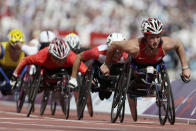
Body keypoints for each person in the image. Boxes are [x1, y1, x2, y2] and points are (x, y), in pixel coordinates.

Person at [100, 17, 191, 117]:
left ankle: (159, 92)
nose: (155, 41)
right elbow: (113, 45)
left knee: (160, 67)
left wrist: (185, 68)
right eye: (152, 37)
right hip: (136, 65)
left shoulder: (166, 44)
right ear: (145, 36)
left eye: (158, 37)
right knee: (128, 67)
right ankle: (131, 95)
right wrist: (106, 65)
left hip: (156, 64)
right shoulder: (134, 46)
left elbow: (179, 45)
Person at [10, 38, 87, 91]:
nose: (60, 62)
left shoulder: (71, 56)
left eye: (63, 59)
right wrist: (15, 76)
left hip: (64, 71)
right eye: (57, 59)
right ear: (51, 55)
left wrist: (91, 82)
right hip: (47, 70)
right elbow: (24, 60)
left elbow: (84, 69)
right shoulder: (42, 56)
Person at [70, 32, 128, 100]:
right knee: (103, 96)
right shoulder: (98, 51)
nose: (116, 54)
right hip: (100, 69)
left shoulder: (127, 55)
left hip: (116, 70)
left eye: (119, 52)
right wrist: (73, 78)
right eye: (114, 51)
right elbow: (78, 57)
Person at [0, 29, 26, 95]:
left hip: (16, 74)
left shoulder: (25, 51)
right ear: (9, 45)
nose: (16, 51)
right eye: (13, 48)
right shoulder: (2, 49)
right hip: (2, 75)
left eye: (18, 48)